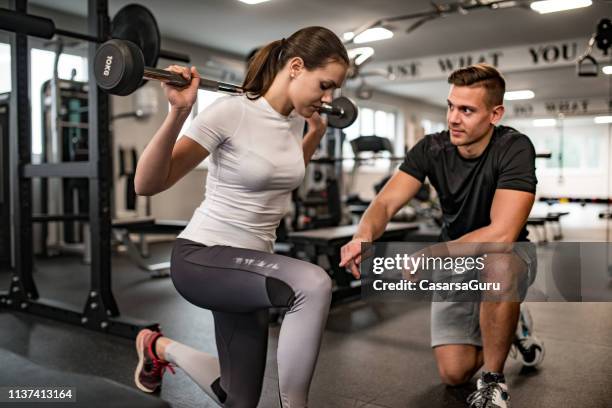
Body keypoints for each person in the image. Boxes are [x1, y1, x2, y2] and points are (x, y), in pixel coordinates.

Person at [132, 26, 349, 408]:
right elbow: (147, 183)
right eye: (325, 86)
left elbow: (283, 171)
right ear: (296, 67)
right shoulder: (231, 111)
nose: (329, 98)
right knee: (312, 284)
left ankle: (158, 347)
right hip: (204, 256)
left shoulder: (294, 122)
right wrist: (179, 111)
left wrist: (314, 130)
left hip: (251, 270)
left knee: (239, 399)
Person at [340, 63, 544, 408]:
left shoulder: (514, 147)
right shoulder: (431, 148)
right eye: (451, 106)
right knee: (454, 373)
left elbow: (503, 232)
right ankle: (511, 328)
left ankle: (494, 380)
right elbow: (387, 201)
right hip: (456, 261)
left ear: (495, 114)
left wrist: (433, 253)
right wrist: (364, 234)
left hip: (505, 256)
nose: (453, 118)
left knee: (498, 263)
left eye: (467, 110)